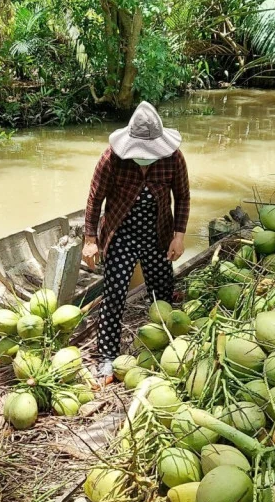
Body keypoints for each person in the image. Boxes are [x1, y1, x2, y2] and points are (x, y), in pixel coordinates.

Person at [83, 102, 190, 381]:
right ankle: (107, 357)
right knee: (114, 294)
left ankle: (164, 346)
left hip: (158, 233)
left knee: (162, 291)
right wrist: (90, 240)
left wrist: (179, 236)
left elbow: (183, 196)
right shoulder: (112, 158)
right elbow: (95, 199)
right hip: (121, 235)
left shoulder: (173, 158)